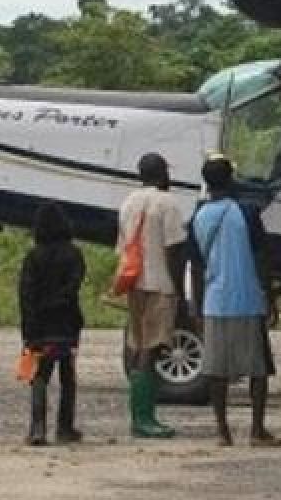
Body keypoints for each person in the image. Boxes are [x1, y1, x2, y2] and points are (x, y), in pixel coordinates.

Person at [193, 156, 281, 448]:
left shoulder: (198, 216)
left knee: (216, 370)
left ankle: (223, 432)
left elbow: (196, 266)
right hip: (248, 299)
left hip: (215, 301)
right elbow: (262, 257)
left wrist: (196, 305)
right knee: (258, 368)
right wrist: (269, 295)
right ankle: (257, 430)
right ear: (232, 178)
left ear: (206, 183)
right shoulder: (247, 212)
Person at [117, 152, 187, 439]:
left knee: (137, 344)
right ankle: (144, 419)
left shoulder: (128, 203)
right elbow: (174, 248)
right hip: (160, 283)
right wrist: (178, 285)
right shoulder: (167, 203)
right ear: (163, 174)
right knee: (152, 347)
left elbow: (122, 246)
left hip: (134, 282)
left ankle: (138, 415)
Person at [19, 203, 86, 446]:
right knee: (67, 375)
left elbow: (26, 295)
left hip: (40, 327)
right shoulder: (74, 254)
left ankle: (37, 428)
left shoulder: (33, 257)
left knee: (39, 375)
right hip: (67, 325)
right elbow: (74, 287)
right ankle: (65, 427)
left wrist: (29, 329)